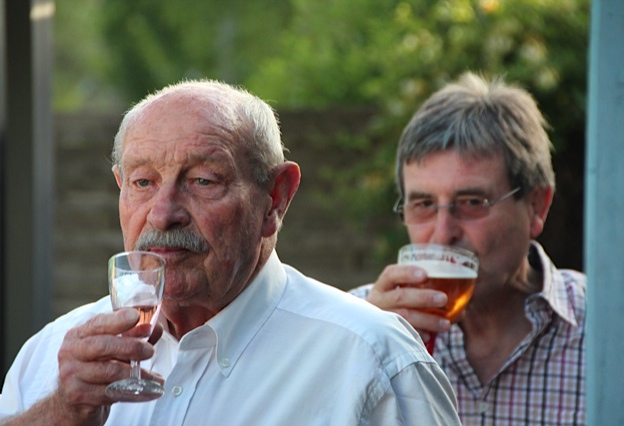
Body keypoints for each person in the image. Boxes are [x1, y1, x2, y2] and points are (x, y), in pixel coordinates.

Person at [0, 81, 461, 425]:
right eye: (143, 182)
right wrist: (62, 411)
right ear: (120, 189)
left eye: (203, 180)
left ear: (276, 198)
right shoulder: (50, 358)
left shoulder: (370, 360)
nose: (163, 214)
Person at [350, 72, 586, 425]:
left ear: (537, 207)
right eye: (424, 204)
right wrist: (355, 359)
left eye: (473, 201)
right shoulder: (359, 323)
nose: (443, 234)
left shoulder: (608, 329)